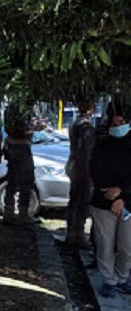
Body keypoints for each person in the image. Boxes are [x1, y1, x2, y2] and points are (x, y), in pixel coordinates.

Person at [89, 93, 131, 298]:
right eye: (116, 118)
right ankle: (109, 280)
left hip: (128, 204)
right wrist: (113, 196)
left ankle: (123, 277)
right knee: (105, 242)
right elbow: (95, 170)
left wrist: (123, 196)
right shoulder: (102, 140)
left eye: (123, 119)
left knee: (127, 245)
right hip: (103, 201)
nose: (119, 123)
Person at [64, 100, 96, 249]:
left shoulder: (74, 123)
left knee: (73, 199)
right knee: (82, 201)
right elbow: (86, 150)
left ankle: (71, 232)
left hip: (74, 165)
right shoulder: (86, 126)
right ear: (90, 109)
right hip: (82, 167)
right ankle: (77, 234)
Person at [2, 102, 39, 225]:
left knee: (11, 180)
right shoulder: (22, 109)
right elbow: (22, 130)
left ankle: (9, 211)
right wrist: (35, 127)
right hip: (22, 147)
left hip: (12, 147)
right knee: (26, 181)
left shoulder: (9, 109)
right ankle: (22, 214)